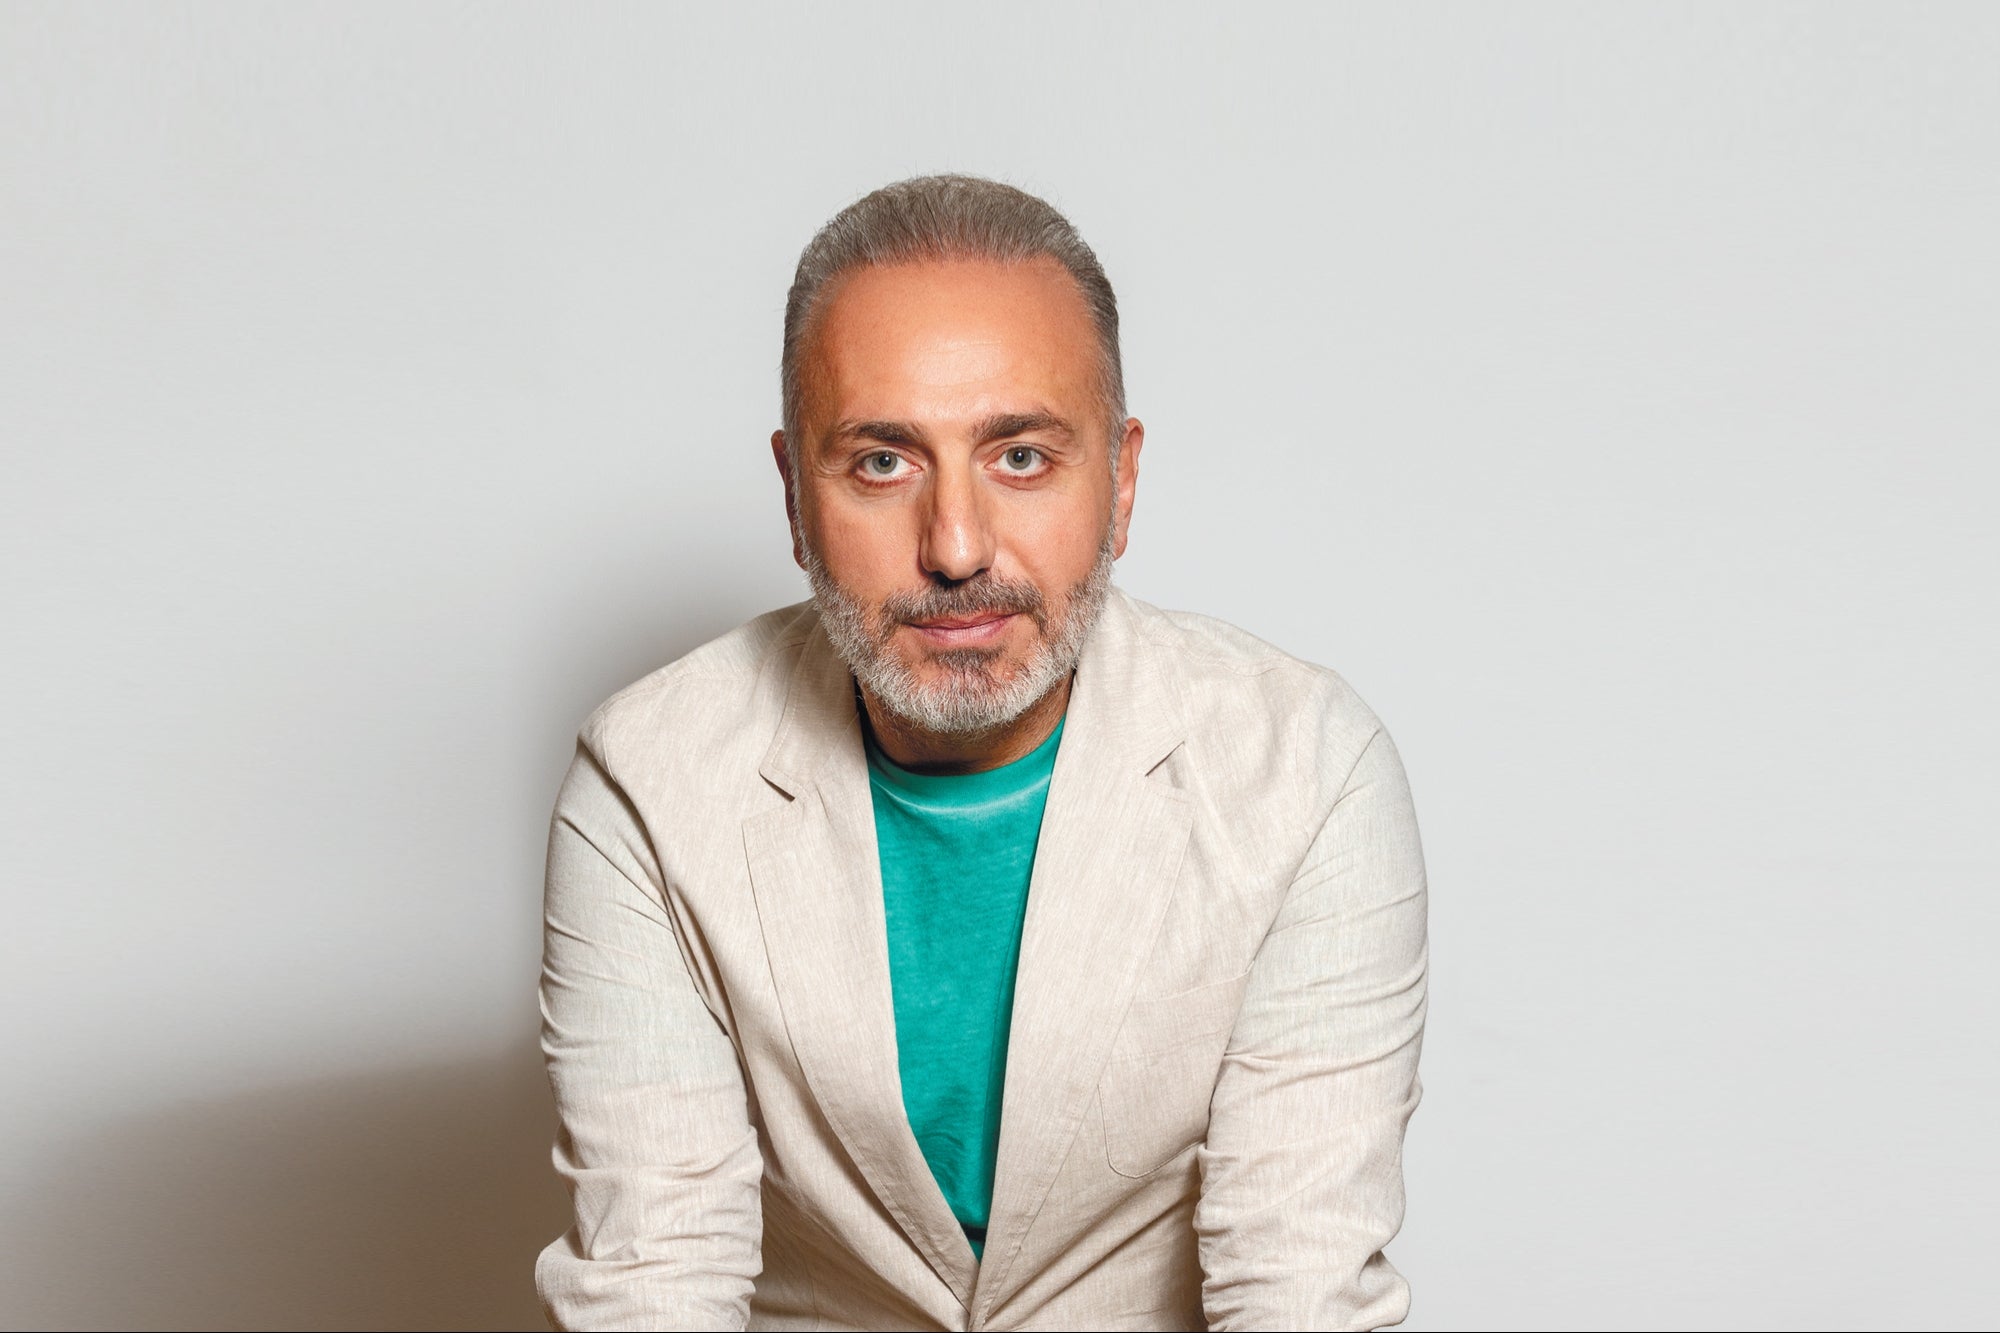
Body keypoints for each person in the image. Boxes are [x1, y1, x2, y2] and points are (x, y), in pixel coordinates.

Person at [535, 175, 1429, 1332]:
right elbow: (654, 1282)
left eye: (1019, 457)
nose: (955, 547)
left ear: (1120, 480)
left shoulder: (1304, 772)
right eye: (881, 462)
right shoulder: (647, 783)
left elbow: (1298, 1291)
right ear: (794, 498)